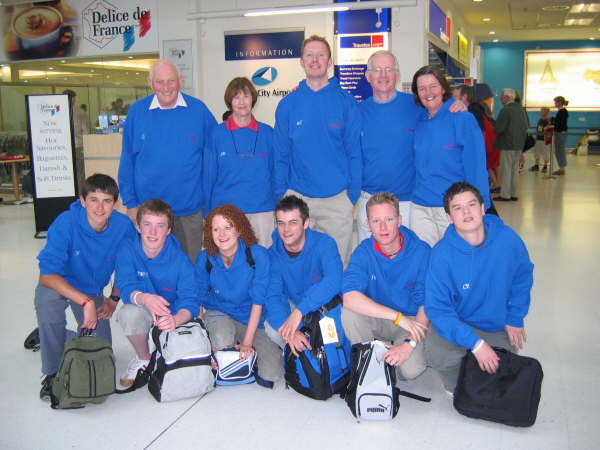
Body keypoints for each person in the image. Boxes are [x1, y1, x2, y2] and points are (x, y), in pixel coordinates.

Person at [425, 182, 534, 393]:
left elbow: (523, 276)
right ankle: (456, 386)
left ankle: (478, 373)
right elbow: (438, 310)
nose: (466, 212)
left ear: (483, 208)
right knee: (438, 354)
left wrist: (515, 317)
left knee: (501, 370)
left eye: (472, 205)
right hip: (458, 321)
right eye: (457, 208)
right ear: (448, 217)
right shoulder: (441, 255)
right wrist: (476, 344)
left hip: (493, 325)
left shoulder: (508, 239)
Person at [34, 174, 136, 399]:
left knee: (100, 349)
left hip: (91, 288)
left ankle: (52, 334)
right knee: (48, 304)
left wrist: (113, 299)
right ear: (82, 200)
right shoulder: (65, 223)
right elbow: (47, 275)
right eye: (93, 199)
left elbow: (127, 266)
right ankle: (52, 373)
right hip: (59, 284)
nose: (100, 207)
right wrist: (86, 302)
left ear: (116, 203)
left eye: (106, 200)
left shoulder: (123, 227)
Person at [273, 35, 361, 266]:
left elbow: (355, 153)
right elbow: (280, 155)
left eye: (321, 55)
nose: (315, 60)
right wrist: (282, 193)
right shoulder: (287, 105)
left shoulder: (346, 102)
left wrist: (351, 196)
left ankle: (333, 304)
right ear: (301, 62)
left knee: (336, 265)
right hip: (298, 198)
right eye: (309, 55)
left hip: (337, 201)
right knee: (299, 265)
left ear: (330, 61)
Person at [118, 60, 217, 262]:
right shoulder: (137, 113)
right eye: (160, 82)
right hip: (149, 213)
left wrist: (210, 204)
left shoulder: (198, 111)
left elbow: (213, 158)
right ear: (150, 83)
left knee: (190, 267)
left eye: (171, 81)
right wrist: (130, 203)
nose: (166, 87)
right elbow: (127, 160)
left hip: (189, 212)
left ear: (180, 81)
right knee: (151, 267)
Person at [342, 192, 430, 379]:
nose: (383, 227)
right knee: (349, 313)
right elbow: (349, 298)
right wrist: (396, 316)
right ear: (368, 224)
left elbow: (427, 304)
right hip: (381, 316)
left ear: (399, 220)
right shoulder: (364, 252)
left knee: (412, 371)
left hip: (410, 320)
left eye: (389, 219)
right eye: (376, 221)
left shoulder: (421, 251)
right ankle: (367, 357)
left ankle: (391, 352)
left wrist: (409, 345)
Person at [115, 199, 200, 387]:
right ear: (138, 227)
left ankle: (162, 346)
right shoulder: (127, 250)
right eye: (147, 225)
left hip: (172, 312)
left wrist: (175, 320)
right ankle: (144, 358)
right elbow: (124, 284)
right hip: (144, 307)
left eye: (160, 226)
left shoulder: (181, 260)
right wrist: (145, 298)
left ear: (169, 230)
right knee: (129, 314)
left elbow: (190, 301)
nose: (152, 233)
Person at [195, 204, 282, 382]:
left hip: (251, 318)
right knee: (220, 341)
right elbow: (198, 300)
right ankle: (226, 344)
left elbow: (258, 302)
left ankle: (243, 347)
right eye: (216, 229)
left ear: (240, 230)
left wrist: (248, 343)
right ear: (209, 232)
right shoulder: (204, 259)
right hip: (219, 313)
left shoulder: (258, 256)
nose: (222, 234)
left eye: (228, 227)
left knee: (272, 374)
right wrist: (204, 341)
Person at [409, 65, 490, 247]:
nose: (428, 92)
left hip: (454, 208)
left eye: (433, 86)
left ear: (444, 88)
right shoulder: (418, 120)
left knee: (457, 261)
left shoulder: (462, 119)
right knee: (425, 262)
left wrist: (480, 206)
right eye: (422, 88)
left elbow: (476, 166)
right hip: (420, 207)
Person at [265, 195, 342, 357]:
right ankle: (298, 353)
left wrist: (300, 311)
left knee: (336, 336)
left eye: (293, 223)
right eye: (281, 223)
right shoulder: (272, 255)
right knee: (271, 328)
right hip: (294, 307)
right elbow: (273, 296)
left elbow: (334, 281)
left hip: (324, 306)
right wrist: (291, 332)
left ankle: (314, 352)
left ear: (306, 223)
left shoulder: (325, 244)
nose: (286, 230)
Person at [204, 77, 276, 247]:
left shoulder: (268, 134)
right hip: (226, 214)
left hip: (261, 212)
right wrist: (208, 214)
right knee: (228, 264)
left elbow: (276, 174)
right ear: (230, 101)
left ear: (253, 99)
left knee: (261, 263)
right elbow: (208, 177)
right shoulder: (216, 135)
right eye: (236, 97)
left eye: (246, 96)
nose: (241, 102)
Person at [493, 88, 528, 202]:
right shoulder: (521, 110)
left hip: (507, 144)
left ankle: (505, 195)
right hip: (519, 144)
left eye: (502, 96)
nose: (500, 98)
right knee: (514, 170)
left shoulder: (506, 110)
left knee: (506, 170)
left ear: (508, 98)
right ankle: (514, 193)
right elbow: (526, 126)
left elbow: (499, 128)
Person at [63, 89, 90, 194]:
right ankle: (80, 195)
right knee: (80, 174)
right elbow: (86, 131)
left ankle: (68, 193)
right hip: (78, 146)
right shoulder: (80, 112)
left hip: (62, 148)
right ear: (74, 99)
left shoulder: (57, 112)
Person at [529, 107, 552, 173]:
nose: (540, 112)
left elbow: (549, 129)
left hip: (545, 139)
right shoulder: (540, 120)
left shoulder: (548, 120)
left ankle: (545, 166)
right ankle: (536, 165)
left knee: (545, 152)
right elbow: (538, 129)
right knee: (537, 152)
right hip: (538, 138)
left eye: (542, 111)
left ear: (546, 112)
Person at [552, 96, 569, 176]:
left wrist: (552, 122)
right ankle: (561, 168)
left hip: (560, 134)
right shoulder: (561, 111)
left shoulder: (562, 112)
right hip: (560, 133)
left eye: (555, 102)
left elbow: (560, 124)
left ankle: (562, 169)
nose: (555, 104)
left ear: (559, 102)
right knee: (559, 151)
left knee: (560, 151)